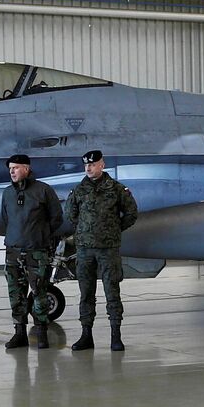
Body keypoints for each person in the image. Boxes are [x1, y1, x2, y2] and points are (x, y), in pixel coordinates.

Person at [63, 150, 140, 352]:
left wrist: (113, 229)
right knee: (86, 293)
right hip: (85, 250)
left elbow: (131, 213)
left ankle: (116, 336)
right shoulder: (79, 190)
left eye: (93, 164)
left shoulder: (116, 189)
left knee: (112, 292)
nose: (88, 168)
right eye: (86, 165)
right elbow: (70, 215)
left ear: (102, 165)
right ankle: (86, 335)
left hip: (108, 249)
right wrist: (86, 231)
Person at [0, 153, 63, 350]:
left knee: (39, 292)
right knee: (15, 294)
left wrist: (40, 235)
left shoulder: (43, 190)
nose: (12, 172)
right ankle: (19, 333)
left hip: (37, 251)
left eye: (15, 168)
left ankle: (41, 332)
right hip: (14, 252)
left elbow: (56, 218)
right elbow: (7, 218)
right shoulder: (8, 193)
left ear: (26, 168)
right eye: (10, 169)